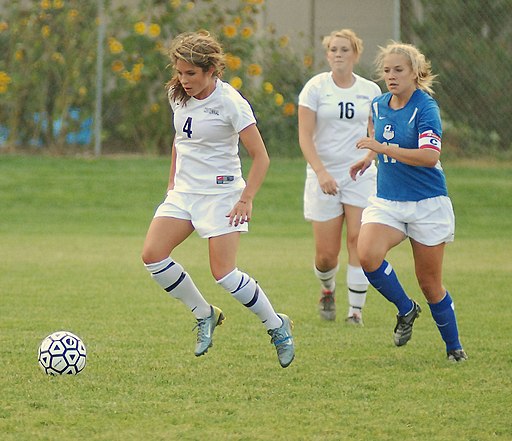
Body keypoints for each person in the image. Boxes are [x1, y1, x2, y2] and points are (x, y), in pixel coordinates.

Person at [141, 30, 295, 368]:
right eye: (180, 72)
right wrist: (172, 182)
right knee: (152, 256)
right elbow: (180, 139)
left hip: (222, 194)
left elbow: (261, 156)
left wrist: (246, 198)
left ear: (212, 70)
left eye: (191, 73)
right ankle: (204, 314)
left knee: (223, 273)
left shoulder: (231, 102)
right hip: (184, 193)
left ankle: (276, 326)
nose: (184, 80)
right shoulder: (176, 94)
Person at [350, 42, 467, 362]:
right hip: (388, 200)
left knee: (430, 284)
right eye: (386, 70)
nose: (390, 76)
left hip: (426, 203)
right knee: (367, 254)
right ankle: (406, 309)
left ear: (416, 73)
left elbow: (430, 157)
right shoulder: (378, 104)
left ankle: (453, 347)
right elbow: (382, 139)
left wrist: (382, 149)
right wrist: (369, 157)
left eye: (398, 70)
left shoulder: (425, 108)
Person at [298, 29, 381, 324]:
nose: (338, 54)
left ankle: (355, 311)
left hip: (360, 174)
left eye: (345, 49)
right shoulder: (315, 88)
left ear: (356, 54)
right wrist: (321, 172)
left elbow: (377, 132)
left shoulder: (371, 90)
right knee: (326, 256)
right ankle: (327, 288)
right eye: (333, 49)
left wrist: (369, 158)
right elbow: (305, 136)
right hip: (325, 174)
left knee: (358, 240)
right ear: (327, 54)